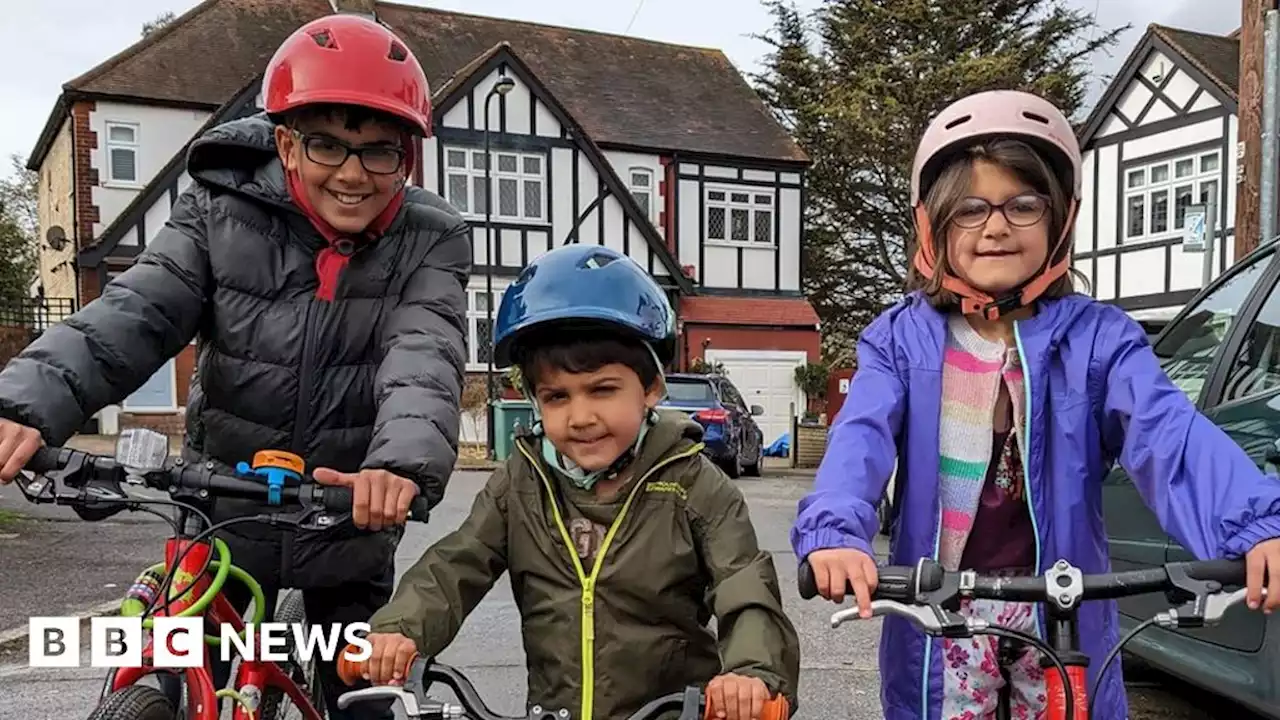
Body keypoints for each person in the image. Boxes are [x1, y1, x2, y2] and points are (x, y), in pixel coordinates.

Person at [0, 14, 469, 719]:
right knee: (189, 685)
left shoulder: (430, 239)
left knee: (363, 698)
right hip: (223, 513)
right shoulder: (217, 211)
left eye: (380, 152)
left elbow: (424, 354)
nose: (352, 173)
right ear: (284, 142)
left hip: (348, 516)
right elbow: (136, 313)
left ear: (407, 156)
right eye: (326, 145)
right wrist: (25, 405)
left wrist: (398, 469)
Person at [790, 89, 1280, 720]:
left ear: (1060, 220)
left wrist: (1255, 524)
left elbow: (1170, 437)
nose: (995, 226)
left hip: (1063, 608)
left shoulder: (1100, 341)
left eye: (1023, 204)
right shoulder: (900, 339)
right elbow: (860, 440)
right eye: (969, 209)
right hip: (940, 607)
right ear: (932, 226)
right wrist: (835, 531)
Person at [353, 244, 801, 720]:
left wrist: (753, 673)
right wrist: (401, 629)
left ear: (651, 388)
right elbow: (457, 563)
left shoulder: (693, 484)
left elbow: (744, 584)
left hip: (672, 711)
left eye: (603, 390)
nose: (581, 416)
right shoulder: (522, 482)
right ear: (533, 400)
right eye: (557, 397)